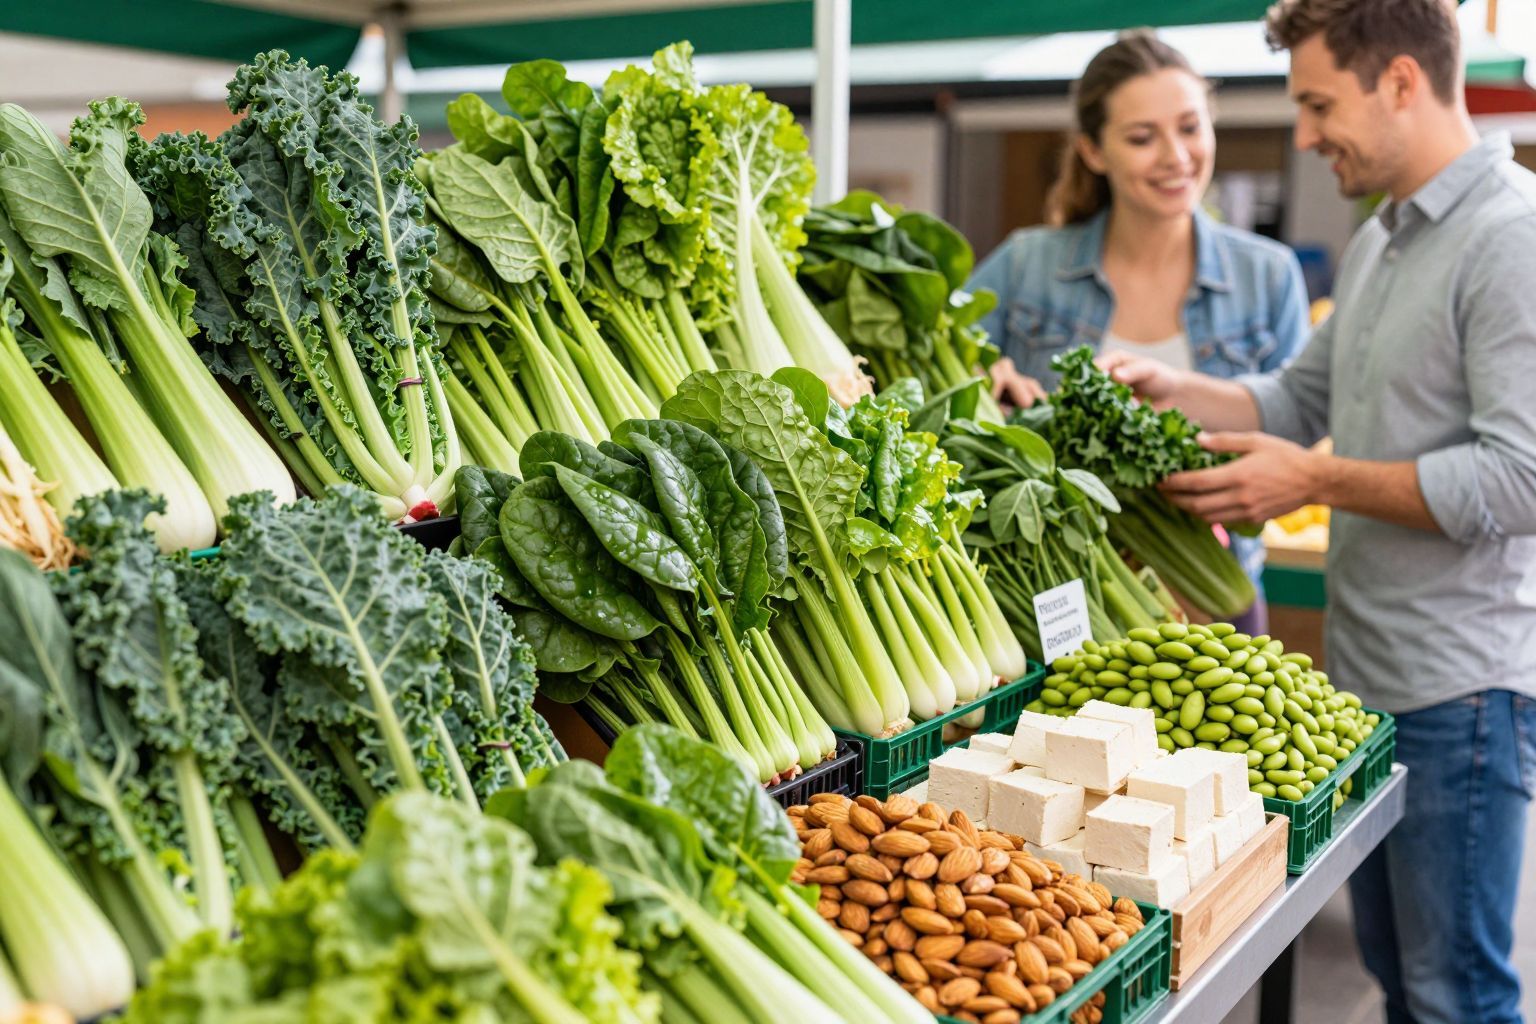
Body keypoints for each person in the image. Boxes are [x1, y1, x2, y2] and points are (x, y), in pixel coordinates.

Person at [1102, 1, 1536, 1020]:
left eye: (1318, 104)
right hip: (1372, 680)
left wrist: (1316, 481)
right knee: (1401, 982)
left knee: (1456, 997)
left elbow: (1522, 479)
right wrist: (1170, 388)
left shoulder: (1510, 238)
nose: (1302, 135)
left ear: (1400, 81)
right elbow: (1298, 398)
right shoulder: (1384, 238)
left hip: (1464, 694)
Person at [969, 29, 1310, 636]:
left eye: (1190, 127)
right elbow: (936, 377)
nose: (1176, 156)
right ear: (1093, 152)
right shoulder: (1026, 266)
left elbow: (1298, 434)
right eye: (1142, 137)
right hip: (1062, 606)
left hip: (1217, 599)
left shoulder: (1269, 275)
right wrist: (981, 378)